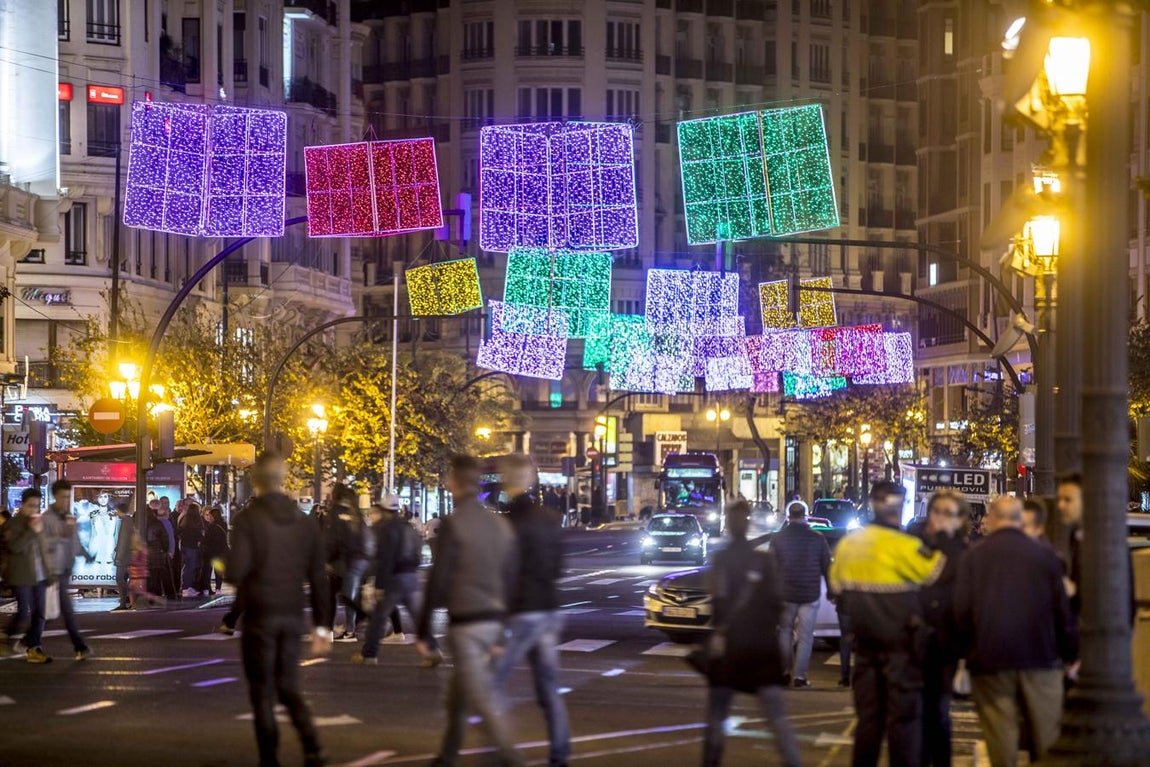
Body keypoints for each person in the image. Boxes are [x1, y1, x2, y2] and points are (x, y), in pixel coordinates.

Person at [829, 480, 945, 767]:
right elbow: (938, 578)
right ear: (900, 507)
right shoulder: (908, 548)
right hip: (902, 650)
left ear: (871, 504)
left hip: (865, 648)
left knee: (868, 721)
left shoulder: (848, 546)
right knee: (903, 723)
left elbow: (836, 590)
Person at [417, 455, 523, 767]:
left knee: (483, 697)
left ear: (453, 481)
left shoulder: (454, 524)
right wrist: (504, 629)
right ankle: (447, 756)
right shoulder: (499, 524)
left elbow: (439, 577)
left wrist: (423, 629)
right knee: (458, 695)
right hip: (495, 620)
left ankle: (511, 757)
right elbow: (512, 576)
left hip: (467, 621)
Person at [954, 495, 1077, 766]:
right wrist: (1069, 652)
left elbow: (961, 611)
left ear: (992, 518)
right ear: (1020, 520)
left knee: (1001, 734)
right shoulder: (1045, 556)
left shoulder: (973, 557)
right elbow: (1061, 611)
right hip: (1040, 657)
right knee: (1047, 734)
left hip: (990, 658)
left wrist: (965, 652)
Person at [227, 452, 332, 767]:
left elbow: (236, 570)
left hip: (260, 612)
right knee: (287, 685)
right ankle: (312, 745)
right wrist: (322, 625)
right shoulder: (304, 521)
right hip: (292, 611)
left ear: (256, 480)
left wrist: (225, 566)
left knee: (262, 691)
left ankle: (269, 758)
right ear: (283, 479)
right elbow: (319, 577)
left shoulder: (248, 519)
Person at [700, 500, 800, 767]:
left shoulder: (721, 561)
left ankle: (710, 762)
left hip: (730, 648)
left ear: (728, 525)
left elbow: (717, 604)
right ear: (748, 524)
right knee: (777, 718)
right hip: (761, 647)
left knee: (717, 716)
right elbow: (778, 604)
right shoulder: (762, 562)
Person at [492, 454, 570, 767]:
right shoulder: (550, 518)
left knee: (491, 683)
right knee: (548, 687)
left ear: (506, 481)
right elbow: (559, 567)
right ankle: (560, 753)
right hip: (549, 608)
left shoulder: (509, 522)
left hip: (522, 611)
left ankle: (503, 752)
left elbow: (505, 573)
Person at [909, 490, 970, 767]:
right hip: (916, 642)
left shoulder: (963, 554)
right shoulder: (919, 547)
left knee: (937, 713)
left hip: (946, 645)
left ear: (960, 519)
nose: (940, 518)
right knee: (918, 714)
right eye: (936, 511)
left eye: (948, 513)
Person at [353, 494, 439, 665]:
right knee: (418, 618)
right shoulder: (408, 527)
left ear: (384, 510)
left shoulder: (386, 529)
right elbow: (418, 552)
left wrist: (379, 585)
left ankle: (369, 654)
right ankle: (433, 650)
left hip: (393, 579)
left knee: (379, 618)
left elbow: (386, 558)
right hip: (410, 577)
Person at [770, 499, 831, 688]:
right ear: (806, 516)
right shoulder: (817, 538)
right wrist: (832, 590)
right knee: (806, 636)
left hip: (785, 592)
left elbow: (771, 567)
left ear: (789, 516)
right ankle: (800, 676)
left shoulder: (778, 539)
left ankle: (784, 672)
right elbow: (827, 566)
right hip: (809, 593)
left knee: (785, 632)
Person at [40, 479, 94, 659]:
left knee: (50, 612)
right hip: (52, 570)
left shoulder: (69, 516)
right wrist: (60, 535)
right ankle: (79, 646)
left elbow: (74, 541)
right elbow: (43, 544)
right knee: (65, 610)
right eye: (62, 497)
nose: (65, 500)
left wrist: (85, 554)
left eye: (67, 497)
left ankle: (28, 640)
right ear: (55, 496)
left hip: (65, 568)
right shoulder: (47, 518)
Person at [1, 489, 52, 663]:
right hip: (21, 575)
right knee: (23, 613)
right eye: (31, 505)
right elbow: (15, 547)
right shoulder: (13, 524)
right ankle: (5, 638)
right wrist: (31, 530)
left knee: (41, 614)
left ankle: (33, 648)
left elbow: (42, 550)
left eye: (37, 506)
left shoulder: (37, 522)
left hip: (39, 575)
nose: (34, 509)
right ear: (23, 504)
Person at [324, 485, 367, 640]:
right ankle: (351, 629)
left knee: (331, 596)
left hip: (340, 561)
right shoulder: (356, 514)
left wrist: (327, 559)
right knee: (350, 594)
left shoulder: (335, 512)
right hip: (357, 560)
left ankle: (329, 629)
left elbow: (332, 539)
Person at [178, 503, 206, 597]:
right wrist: (201, 540)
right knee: (191, 567)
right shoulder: (197, 521)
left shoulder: (184, 520)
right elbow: (199, 534)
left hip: (184, 545)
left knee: (187, 566)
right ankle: (187, 588)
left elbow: (179, 531)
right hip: (192, 546)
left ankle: (186, 587)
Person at [112, 503, 136, 611]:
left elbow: (123, 540)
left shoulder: (125, 521)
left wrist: (119, 557)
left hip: (124, 557)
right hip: (126, 555)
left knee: (120, 578)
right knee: (123, 578)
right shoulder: (127, 520)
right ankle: (125, 601)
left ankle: (125, 601)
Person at [202, 506, 230, 595]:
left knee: (208, 571)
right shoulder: (223, 524)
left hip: (210, 552)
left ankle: (206, 589)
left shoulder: (211, 526)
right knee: (218, 571)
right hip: (220, 552)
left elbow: (206, 540)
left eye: (210, 516)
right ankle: (218, 588)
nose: (209, 517)